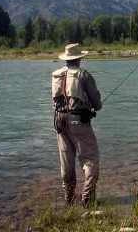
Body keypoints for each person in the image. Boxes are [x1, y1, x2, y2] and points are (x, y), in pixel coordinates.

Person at [51, 43, 102, 207]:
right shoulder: (83, 75)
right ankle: (87, 198)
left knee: (66, 161)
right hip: (78, 121)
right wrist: (94, 106)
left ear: (66, 59)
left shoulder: (56, 74)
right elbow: (97, 102)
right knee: (90, 158)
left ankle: (69, 199)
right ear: (79, 58)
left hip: (59, 120)